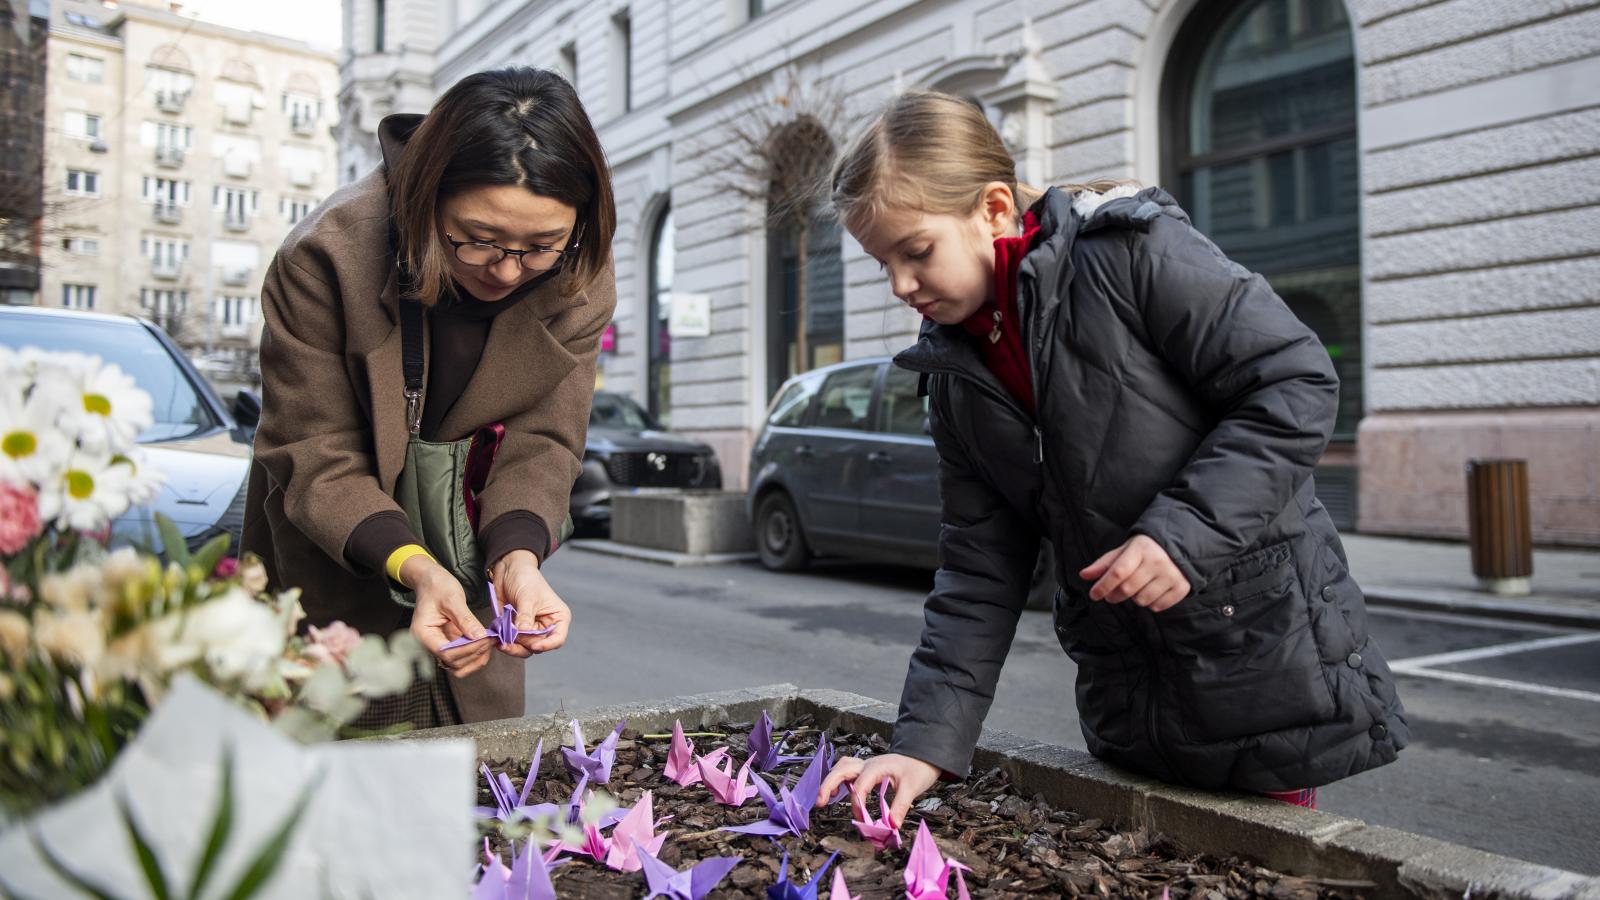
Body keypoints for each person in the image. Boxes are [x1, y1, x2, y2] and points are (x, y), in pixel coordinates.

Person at [817, 91, 1407, 822]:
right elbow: (979, 568)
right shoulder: (955, 377)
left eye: (917, 252)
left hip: (1261, 662)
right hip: (1130, 695)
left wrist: (1178, 536)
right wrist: (922, 744)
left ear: (994, 209)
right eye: (884, 265)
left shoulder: (1131, 255)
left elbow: (1295, 383)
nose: (902, 285)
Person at [241, 68, 616, 728]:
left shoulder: (580, 274)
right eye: (476, 239)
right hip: (336, 564)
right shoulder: (325, 255)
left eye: (538, 248)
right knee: (331, 781)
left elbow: (546, 442)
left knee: (469, 784)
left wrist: (518, 559)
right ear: (425, 198)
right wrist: (415, 568)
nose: (504, 270)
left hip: (474, 579)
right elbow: (313, 452)